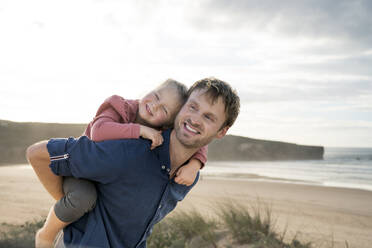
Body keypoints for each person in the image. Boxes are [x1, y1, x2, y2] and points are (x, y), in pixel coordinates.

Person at [27, 77, 240, 248]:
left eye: (209, 117)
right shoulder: (129, 150)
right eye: (192, 107)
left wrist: (196, 165)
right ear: (182, 109)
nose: (195, 119)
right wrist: (69, 203)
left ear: (222, 131)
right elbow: (38, 154)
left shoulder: (187, 176)